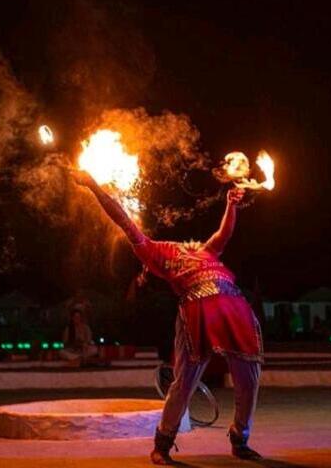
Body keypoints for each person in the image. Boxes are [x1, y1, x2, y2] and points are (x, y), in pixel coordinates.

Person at [74, 171, 263, 464]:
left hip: (234, 305)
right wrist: (93, 185)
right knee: (183, 382)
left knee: (249, 378)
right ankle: (162, 444)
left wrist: (231, 204)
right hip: (197, 309)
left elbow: (224, 233)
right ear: (152, 271)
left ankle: (240, 438)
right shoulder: (156, 253)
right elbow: (123, 220)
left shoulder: (206, 250)